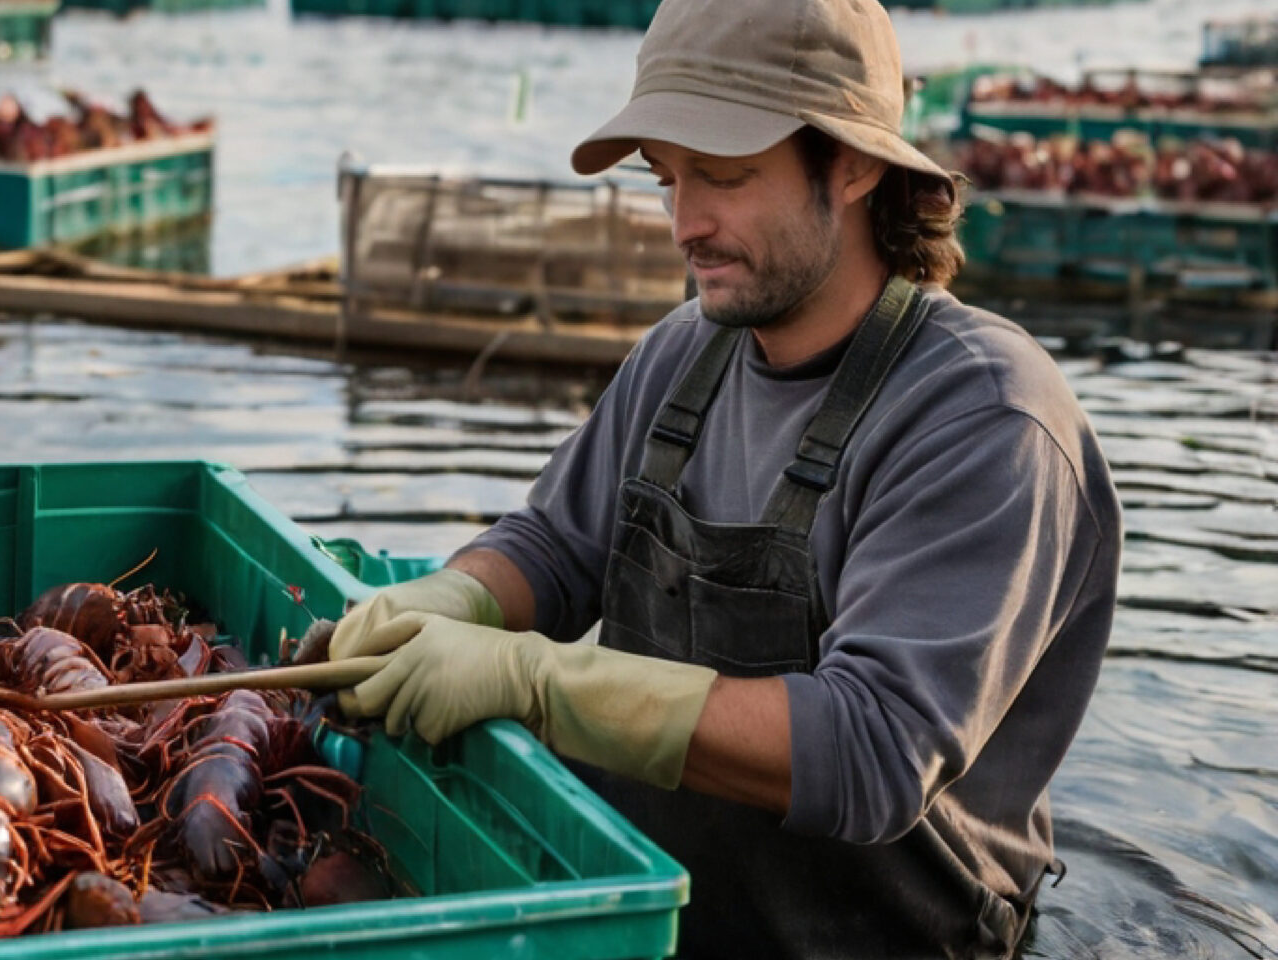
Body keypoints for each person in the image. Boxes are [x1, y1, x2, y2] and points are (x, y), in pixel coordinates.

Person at [326, 0, 1123, 955]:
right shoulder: (686, 351)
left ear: (856, 164)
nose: (684, 224)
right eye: (666, 178)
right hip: (656, 919)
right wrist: (453, 601)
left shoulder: (986, 418)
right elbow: (554, 544)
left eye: (726, 176)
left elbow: (871, 751)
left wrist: (534, 679)